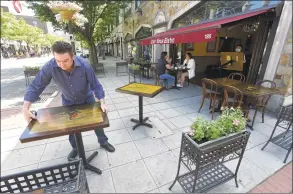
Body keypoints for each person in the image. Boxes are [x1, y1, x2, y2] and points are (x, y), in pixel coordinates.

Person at [23, 41, 115, 161]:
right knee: (70, 128)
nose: (61, 65)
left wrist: (102, 102)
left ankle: (103, 142)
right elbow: (36, 86)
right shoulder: (50, 66)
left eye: (65, 60)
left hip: (87, 99)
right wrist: (25, 108)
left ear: (73, 56)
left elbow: (96, 86)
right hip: (68, 101)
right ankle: (76, 148)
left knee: (97, 122)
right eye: (58, 61)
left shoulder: (84, 65)